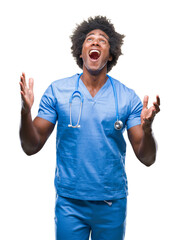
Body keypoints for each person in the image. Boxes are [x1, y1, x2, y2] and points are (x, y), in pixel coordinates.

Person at [19, 16, 160, 240]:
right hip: (69, 204)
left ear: (111, 53)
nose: (95, 43)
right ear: (81, 52)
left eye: (102, 40)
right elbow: (30, 145)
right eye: (89, 39)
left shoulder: (127, 98)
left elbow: (147, 157)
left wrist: (149, 129)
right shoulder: (58, 91)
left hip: (111, 203)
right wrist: (26, 113)